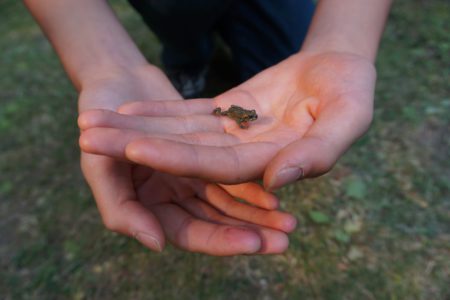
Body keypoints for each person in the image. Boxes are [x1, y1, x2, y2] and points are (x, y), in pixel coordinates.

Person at [24, 0, 392, 255]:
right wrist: (108, 66)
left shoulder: (242, 115)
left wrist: (341, 41)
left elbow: (244, 116)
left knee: (285, 45)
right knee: (181, 22)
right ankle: (188, 60)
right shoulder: (236, 114)